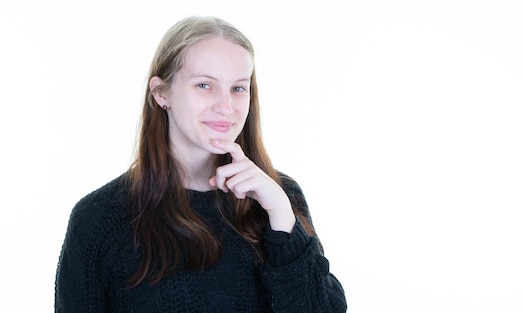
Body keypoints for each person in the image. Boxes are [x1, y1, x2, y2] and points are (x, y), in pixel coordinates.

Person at [54, 16, 347, 312]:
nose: (225, 107)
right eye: (205, 85)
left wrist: (282, 219)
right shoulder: (99, 219)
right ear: (161, 94)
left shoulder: (279, 198)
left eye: (238, 88)